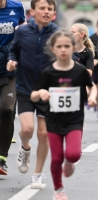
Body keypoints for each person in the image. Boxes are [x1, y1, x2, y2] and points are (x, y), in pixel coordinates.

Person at [31, 30, 97, 200]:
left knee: (73, 154)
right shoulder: (48, 72)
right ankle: (58, 189)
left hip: (74, 119)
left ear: (73, 47)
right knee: (56, 157)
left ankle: (69, 163)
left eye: (67, 46)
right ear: (53, 49)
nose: (63, 50)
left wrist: (92, 97)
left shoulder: (80, 70)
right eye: (59, 46)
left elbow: (92, 86)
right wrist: (42, 93)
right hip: (53, 120)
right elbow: (33, 94)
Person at [6, 0, 59, 188]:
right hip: (25, 88)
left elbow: (69, 56)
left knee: (44, 134)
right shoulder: (22, 31)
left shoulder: (58, 34)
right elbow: (14, 52)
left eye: (49, 9)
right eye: (42, 8)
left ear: (53, 13)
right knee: (27, 130)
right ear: (33, 11)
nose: (46, 12)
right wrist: (12, 62)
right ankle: (25, 147)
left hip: (48, 91)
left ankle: (37, 174)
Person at [0, 0, 25, 175]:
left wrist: (21, 31)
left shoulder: (16, 7)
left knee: (7, 109)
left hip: (9, 68)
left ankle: (1, 158)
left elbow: (23, 28)